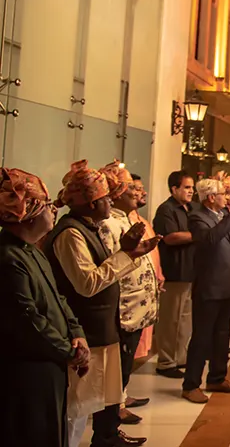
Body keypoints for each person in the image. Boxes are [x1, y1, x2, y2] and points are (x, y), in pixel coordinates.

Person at [45, 160, 155, 447]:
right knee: (75, 408)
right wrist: (126, 256)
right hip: (85, 330)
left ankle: (106, 438)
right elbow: (87, 283)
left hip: (102, 327)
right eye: (106, 197)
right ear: (91, 203)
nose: (110, 202)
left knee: (99, 398)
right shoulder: (70, 233)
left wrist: (129, 252)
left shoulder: (89, 227)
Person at [0, 168, 89, 447]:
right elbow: (27, 320)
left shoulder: (30, 250)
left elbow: (57, 297)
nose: (53, 211)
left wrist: (76, 332)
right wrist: (69, 351)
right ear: (29, 212)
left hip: (51, 362)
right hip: (28, 371)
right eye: (47, 205)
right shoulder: (8, 257)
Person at [99, 163, 161, 426]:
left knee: (125, 362)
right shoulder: (108, 223)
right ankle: (114, 412)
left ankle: (121, 399)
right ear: (114, 193)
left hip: (138, 306)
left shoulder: (128, 218)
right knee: (119, 363)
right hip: (124, 307)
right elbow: (115, 262)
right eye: (129, 188)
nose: (136, 192)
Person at [181, 179, 230, 404]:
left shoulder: (221, 216)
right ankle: (190, 385)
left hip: (226, 285)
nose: (225, 196)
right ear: (210, 197)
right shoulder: (197, 217)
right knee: (202, 337)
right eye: (222, 193)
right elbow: (209, 238)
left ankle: (217, 377)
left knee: (221, 336)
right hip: (208, 287)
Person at [152, 170, 196, 379]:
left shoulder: (190, 208)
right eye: (187, 187)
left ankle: (181, 357)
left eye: (192, 188)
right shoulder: (166, 210)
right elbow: (169, 237)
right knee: (171, 318)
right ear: (174, 189)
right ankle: (166, 361)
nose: (191, 191)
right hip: (174, 271)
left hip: (190, 269)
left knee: (185, 318)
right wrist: (198, 234)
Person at [127, 174, 163, 369]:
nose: (143, 193)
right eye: (136, 189)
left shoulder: (142, 220)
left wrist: (158, 274)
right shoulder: (123, 222)